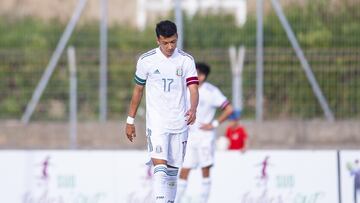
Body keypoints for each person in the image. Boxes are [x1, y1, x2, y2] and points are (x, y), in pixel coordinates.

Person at [125, 20, 199, 203]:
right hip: (157, 123)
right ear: (158, 40)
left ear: (177, 38)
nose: (170, 46)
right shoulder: (146, 60)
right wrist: (130, 120)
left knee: (173, 173)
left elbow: (193, 89)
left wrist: (193, 108)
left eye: (173, 41)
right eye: (165, 42)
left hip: (179, 122)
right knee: (160, 170)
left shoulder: (186, 60)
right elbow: (138, 91)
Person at [176, 62, 233, 203]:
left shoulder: (211, 91)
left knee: (205, 170)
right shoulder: (185, 88)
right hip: (188, 136)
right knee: (184, 169)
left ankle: (204, 200)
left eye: (198, 74)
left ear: (203, 76)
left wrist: (214, 124)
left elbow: (229, 109)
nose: (195, 76)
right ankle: (176, 200)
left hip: (205, 137)